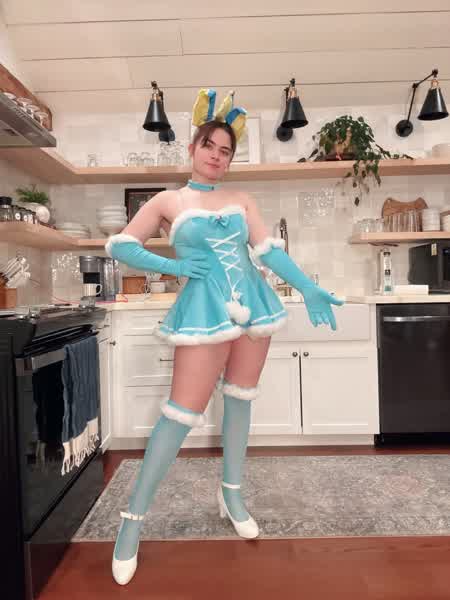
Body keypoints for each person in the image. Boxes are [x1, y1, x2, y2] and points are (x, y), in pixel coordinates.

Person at [106, 88, 344, 585]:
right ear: (192, 148)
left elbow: (268, 252)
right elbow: (123, 246)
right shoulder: (168, 200)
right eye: (209, 146)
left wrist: (308, 288)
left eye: (226, 151)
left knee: (240, 401)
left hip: (254, 306)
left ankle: (232, 494)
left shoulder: (241, 199)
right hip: (204, 308)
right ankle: (132, 521)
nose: (217, 156)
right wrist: (174, 266)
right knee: (180, 415)